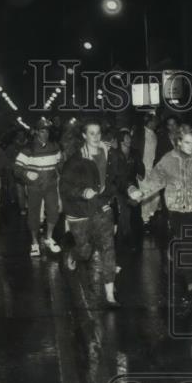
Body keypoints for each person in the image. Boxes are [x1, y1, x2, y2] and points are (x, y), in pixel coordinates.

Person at [129, 124, 192, 302]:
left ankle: (187, 272)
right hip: (175, 208)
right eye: (187, 142)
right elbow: (155, 179)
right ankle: (191, 279)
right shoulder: (168, 159)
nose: (191, 146)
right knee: (186, 241)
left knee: (188, 242)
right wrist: (140, 195)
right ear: (178, 142)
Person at [60, 119, 120, 307]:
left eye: (98, 132)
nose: (96, 136)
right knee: (85, 252)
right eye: (91, 133)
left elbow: (119, 177)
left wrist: (130, 188)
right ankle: (74, 254)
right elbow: (65, 186)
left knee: (108, 248)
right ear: (84, 136)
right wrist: (83, 192)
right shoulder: (76, 160)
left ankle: (110, 295)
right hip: (80, 210)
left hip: (101, 206)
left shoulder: (110, 153)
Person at [14, 118, 64, 257]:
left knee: (54, 212)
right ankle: (35, 243)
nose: (45, 134)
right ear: (36, 132)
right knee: (34, 215)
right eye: (42, 131)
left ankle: (48, 238)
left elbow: (60, 165)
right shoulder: (28, 149)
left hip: (51, 186)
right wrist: (26, 173)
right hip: (34, 188)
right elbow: (16, 169)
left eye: (47, 131)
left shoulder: (55, 146)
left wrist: (60, 174)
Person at [109, 128, 144, 244]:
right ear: (121, 140)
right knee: (123, 211)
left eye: (130, 137)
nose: (129, 140)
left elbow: (140, 166)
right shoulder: (114, 153)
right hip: (118, 185)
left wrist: (141, 172)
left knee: (135, 210)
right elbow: (113, 172)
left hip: (131, 184)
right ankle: (124, 237)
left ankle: (133, 236)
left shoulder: (135, 152)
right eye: (126, 137)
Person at [5, 130, 29, 216]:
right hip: (17, 173)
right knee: (19, 191)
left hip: (28, 173)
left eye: (22, 134)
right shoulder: (11, 147)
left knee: (28, 191)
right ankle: (22, 208)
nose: (21, 136)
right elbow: (7, 159)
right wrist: (13, 166)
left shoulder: (29, 146)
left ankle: (28, 205)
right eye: (19, 134)